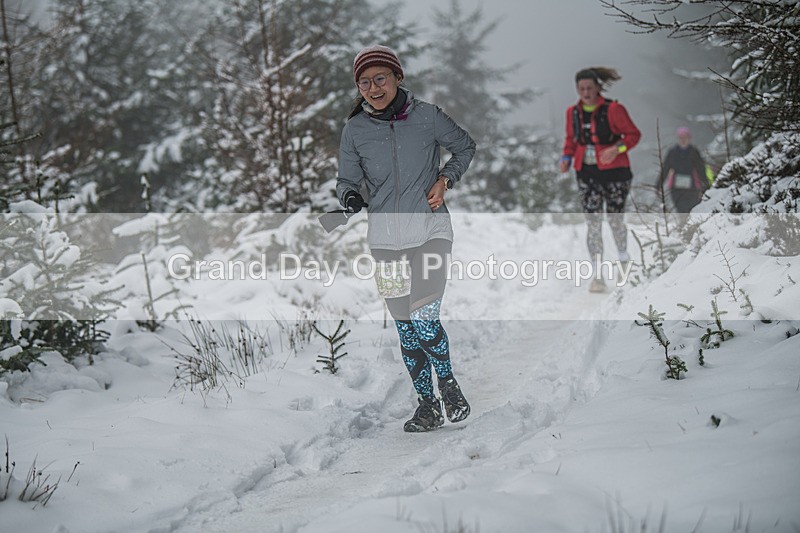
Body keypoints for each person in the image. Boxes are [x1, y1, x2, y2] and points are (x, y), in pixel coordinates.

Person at [336, 45, 476, 432]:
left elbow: (465, 146)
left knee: (425, 317)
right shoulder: (355, 131)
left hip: (430, 231)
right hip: (384, 242)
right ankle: (427, 405)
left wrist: (445, 179)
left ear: (398, 78)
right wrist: (348, 197)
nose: (373, 88)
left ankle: (447, 383)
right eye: (364, 82)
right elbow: (346, 181)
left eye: (380, 78)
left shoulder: (428, 116)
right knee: (406, 326)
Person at [559, 67, 641, 293]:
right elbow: (571, 139)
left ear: (597, 88)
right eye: (581, 88)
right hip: (587, 173)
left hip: (616, 174)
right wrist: (566, 157)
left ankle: (624, 263)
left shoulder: (614, 109)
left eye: (589, 88)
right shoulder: (572, 113)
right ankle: (597, 275)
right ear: (577, 89)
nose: (585, 92)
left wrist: (617, 148)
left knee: (615, 220)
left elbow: (634, 135)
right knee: (593, 223)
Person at [660, 126, 710, 212]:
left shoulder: (694, 152)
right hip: (676, 189)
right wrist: (659, 184)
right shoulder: (672, 152)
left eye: (685, 138)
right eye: (680, 138)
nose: (683, 140)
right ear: (677, 139)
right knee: (681, 211)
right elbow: (666, 168)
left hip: (693, 188)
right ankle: (683, 224)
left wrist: (706, 184)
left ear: (689, 138)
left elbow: (701, 169)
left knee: (692, 211)